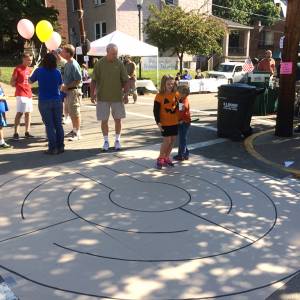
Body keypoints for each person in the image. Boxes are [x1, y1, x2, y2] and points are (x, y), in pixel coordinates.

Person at [90, 43, 129, 151]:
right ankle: (106, 141)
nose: (115, 56)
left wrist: (126, 94)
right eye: (113, 54)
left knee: (118, 120)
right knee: (104, 121)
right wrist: (92, 94)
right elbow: (93, 80)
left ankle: (117, 140)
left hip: (117, 97)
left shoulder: (119, 63)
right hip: (102, 97)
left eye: (116, 53)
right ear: (107, 52)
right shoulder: (99, 64)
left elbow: (126, 80)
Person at [29, 53, 64, 155]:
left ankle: (52, 148)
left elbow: (30, 81)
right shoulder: (57, 72)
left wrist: (32, 72)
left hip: (44, 100)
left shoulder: (39, 71)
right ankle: (60, 146)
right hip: (57, 100)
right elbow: (60, 86)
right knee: (58, 124)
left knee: (49, 126)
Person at [153, 75, 179, 169]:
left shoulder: (176, 94)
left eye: (172, 83)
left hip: (175, 122)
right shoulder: (159, 96)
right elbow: (155, 110)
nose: (170, 85)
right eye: (168, 84)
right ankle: (160, 157)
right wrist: (158, 122)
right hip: (165, 122)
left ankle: (167, 157)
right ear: (164, 84)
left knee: (172, 140)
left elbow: (178, 107)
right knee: (167, 140)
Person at [60, 44, 82, 141]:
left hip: (73, 91)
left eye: (63, 51)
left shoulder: (73, 63)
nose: (61, 52)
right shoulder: (67, 63)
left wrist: (66, 86)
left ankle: (77, 133)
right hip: (68, 91)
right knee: (71, 112)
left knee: (75, 112)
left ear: (68, 53)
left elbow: (78, 79)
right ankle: (74, 130)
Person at [10, 53, 34, 139]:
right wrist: (16, 84)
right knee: (20, 112)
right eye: (28, 60)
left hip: (29, 93)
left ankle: (27, 132)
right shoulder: (18, 69)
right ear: (23, 59)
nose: (30, 62)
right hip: (21, 94)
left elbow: (31, 81)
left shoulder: (30, 69)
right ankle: (16, 133)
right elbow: (12, 82)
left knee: (28, 113)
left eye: (31, 60)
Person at [173, 85, 191, 161]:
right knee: (183, 139)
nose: (177, 94)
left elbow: (182, 112)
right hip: (183, 122)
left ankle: (181, 155)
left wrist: (180, 120)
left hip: (183, 122)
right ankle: (186, 154)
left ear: (183, 94)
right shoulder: (182, 99)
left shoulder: (183, 102)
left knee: (182, 140)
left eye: (179, 92)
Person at [0, 79, 11, 149]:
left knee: (1, 125)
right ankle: (2, 142)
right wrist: (2, 97)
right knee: (0, 126)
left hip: (1, 106)